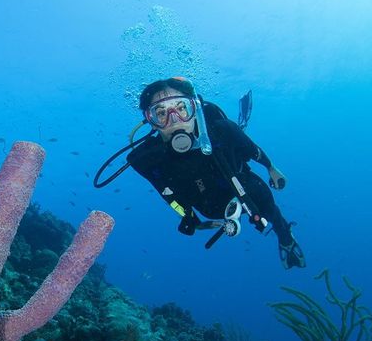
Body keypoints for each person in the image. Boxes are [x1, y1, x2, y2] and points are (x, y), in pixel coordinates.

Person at [126, 77, 306, 269]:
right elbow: (167, 194)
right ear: (151, 121)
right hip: (210, 208)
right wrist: (192, 219)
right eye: (161, 113)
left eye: (181, 108)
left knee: (267, 204)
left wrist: (271, 168)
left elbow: (252, 150)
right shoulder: (148, 159)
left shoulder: (223, 130)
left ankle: (286, 239)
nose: (175, 119)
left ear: (194, 109)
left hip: (245, 187)